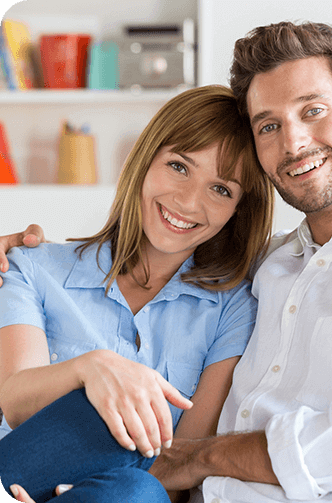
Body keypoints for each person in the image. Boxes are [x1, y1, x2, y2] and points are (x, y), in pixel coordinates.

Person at [1, 20, 332, 503]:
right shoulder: (267, 265)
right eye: (269, 125)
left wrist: (203, 458)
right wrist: (18, 254)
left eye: (313, 111)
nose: (292, 142)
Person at [0, 84, 274, 502]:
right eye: (179, 166)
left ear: (240, 210)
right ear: (146, 160)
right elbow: (16, 403)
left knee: (135, 488)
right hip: (17, 474)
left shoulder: (233, 308)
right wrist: (94, 369)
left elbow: (183, 462)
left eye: (221, 189)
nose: (187, 201)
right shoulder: (32, 266)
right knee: (101, 421)